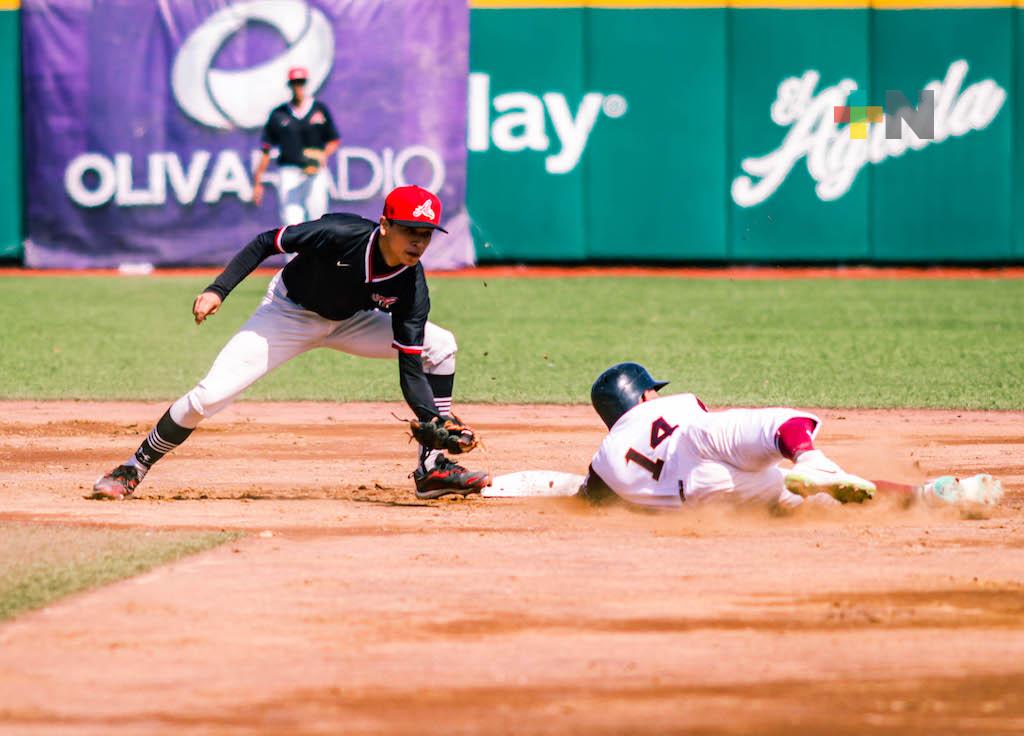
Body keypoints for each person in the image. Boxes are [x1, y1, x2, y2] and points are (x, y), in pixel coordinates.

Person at [92, 185, 488, 501]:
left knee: (442, 345)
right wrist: (218, 289)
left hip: (352, 321)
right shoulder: (339, 234)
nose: (418, 242)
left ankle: (432, 468)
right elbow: (266, 241)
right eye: (409, 231)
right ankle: (133, 466)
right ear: (384, 225)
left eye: (425, 234)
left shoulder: (412, 285)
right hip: (288, 313)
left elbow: (410, 366)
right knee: (208, 397)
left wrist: (432, 419)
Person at [577, 362, 1003, 511]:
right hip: (697, 439)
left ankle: (931, 496)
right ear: (644, 394)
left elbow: (590, 500)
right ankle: (813, 461)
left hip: (699, 497)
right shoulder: (676, 404)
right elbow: (695, 426)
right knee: (781, 428)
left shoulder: (607, 457)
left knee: (803, 499)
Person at [252, 66, 340, 226]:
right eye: (295, 82)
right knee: (291, 221)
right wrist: (258, 182)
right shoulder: (279, 114)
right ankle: (293, 253)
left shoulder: (319, 110)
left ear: (306, 84)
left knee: (318, 219)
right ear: (290, 85)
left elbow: (333, 140)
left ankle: (317, 252)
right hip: (289, 171)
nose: (298, 86)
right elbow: (266, 149)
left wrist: (323, 155)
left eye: (301, 82)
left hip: (315, 171)